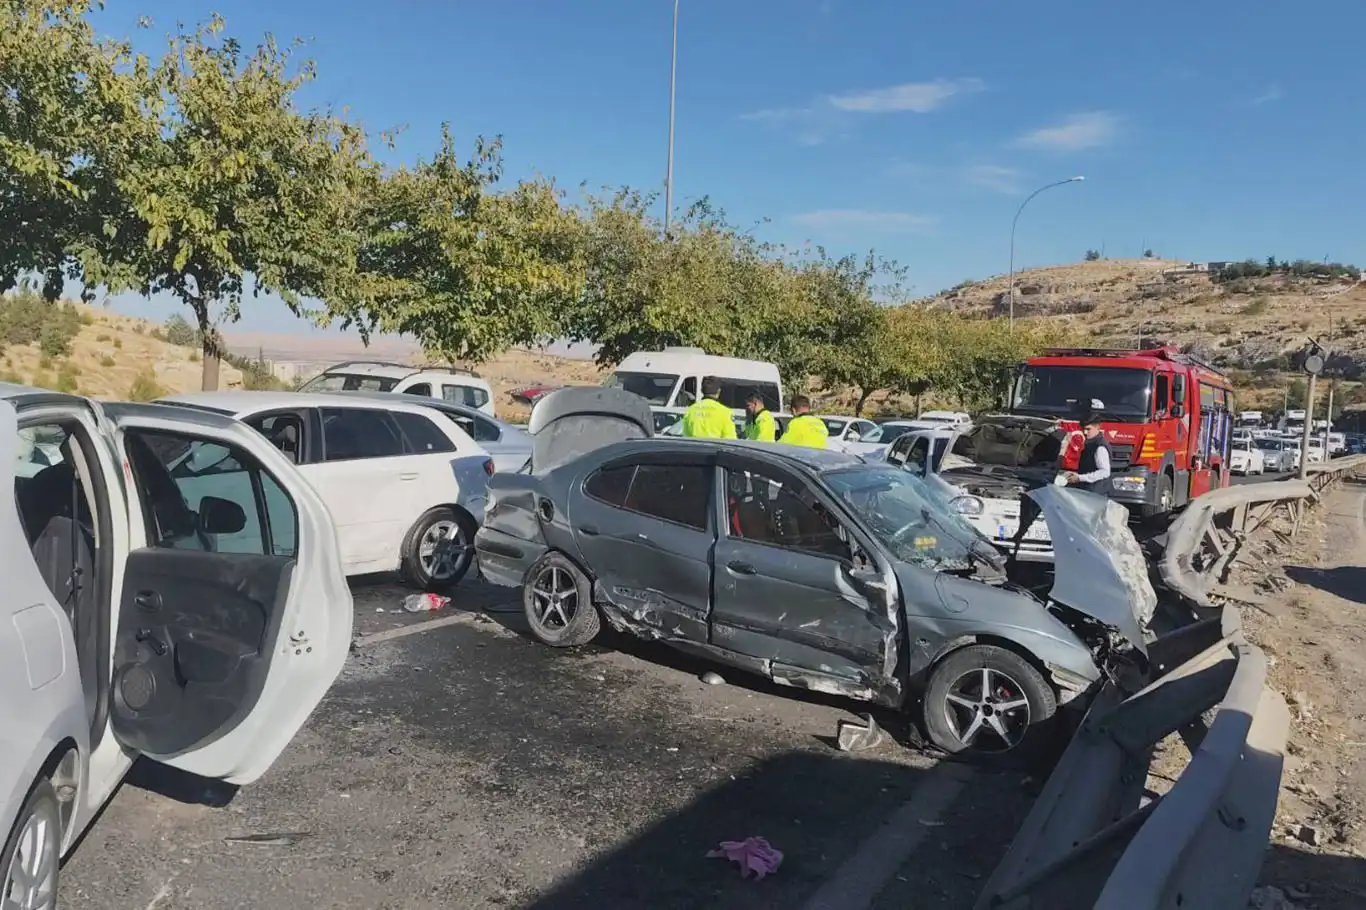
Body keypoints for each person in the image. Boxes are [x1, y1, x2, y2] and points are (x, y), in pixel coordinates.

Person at [1060, 410, 1111, 490]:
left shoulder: (1099, 447)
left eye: (1088, 429)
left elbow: (1105, 472)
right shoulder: (1091, 443)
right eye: (1083, 429)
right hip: (1089, 490)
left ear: (1097, 427)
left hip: (1095, 493)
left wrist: (1080, 478)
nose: (1085, 432)